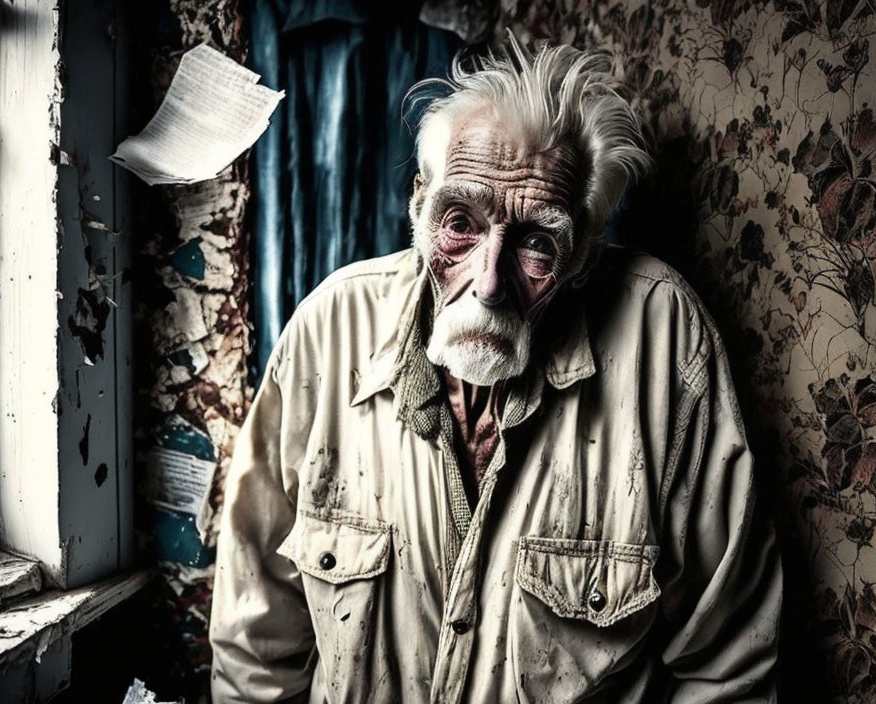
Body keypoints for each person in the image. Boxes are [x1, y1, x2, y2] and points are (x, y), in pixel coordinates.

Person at [209, 36, 782, 704]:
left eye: (538, 241)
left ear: (584, 257)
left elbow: (729, 665)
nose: (487, 283)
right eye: (459, 222)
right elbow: (256, 647)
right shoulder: (329, 331)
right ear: (419, 209)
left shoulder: (664, 343)